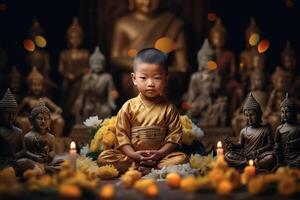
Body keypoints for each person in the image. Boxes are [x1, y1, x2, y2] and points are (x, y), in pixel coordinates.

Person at [98, 48, 189, 175]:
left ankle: (153, 169)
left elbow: (174, 136)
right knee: (104, 157)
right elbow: (122, 136)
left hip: (160, 158)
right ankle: (141, 168)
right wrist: (133, 155)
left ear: (166, 80)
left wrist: (160, 154)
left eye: (157, 78)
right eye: (143, 78)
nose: (150, 83)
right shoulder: (128, 107)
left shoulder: (169, 108)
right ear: (134, 79)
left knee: (182, 159)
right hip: (132, 157)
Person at [111, 0, 189, 101]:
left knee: (159, 87)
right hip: (133, 76)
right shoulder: (123, 23)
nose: (147, 3)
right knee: (140, 86)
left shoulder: (173, 24)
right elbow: (115, 58)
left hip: (162, 76)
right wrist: (143, 67)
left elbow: (182, 67)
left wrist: (159, 72)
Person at [225, 93, 275, 170]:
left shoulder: (265, 129)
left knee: (271, 157)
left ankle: (248, 164)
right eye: (247, 115)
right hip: (245, 156)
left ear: (259, 114)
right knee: (227, 155)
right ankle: (251, 164)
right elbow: (241, 145)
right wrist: (233, 145)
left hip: (259, 156)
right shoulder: (244, 131)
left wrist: (259, 151)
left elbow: (270, 144)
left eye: (252, 115)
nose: (249, 118)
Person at [74, 46, 118, 124]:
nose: (97, 65)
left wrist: (111, 100)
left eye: (99, 63)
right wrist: (80, 103)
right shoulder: (86, 78)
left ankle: (103, 129)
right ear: (90, 64)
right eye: (95, 63)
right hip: (89, 103)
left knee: (106, 110)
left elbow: (111, 91)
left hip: (102, 103)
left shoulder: (107, 77)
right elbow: (82, 93)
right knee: (84, 109)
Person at [17, 67, 64, 137]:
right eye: (34, 85)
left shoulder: (45, 99)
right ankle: (26, 143)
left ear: (42, 86)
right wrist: (24, 114)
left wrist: (52, 114)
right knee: (23, 121)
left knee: (60, 120)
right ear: (29, 86)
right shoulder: (27, 100)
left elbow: (59, 109)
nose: (36, 88)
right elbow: (17, 111)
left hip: (44, 122)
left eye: (39, 85)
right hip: (32, 122)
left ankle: (56, 141)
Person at [24, 101, 63, 173]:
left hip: (48, 162)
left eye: (46, 119)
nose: (43, 121)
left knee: (63, 161)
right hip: (34, 163)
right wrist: (35, 157)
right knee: (25, 162)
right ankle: (46, 170)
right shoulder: (28, 137)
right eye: (39, 118)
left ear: (50, 121)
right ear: (32, 120)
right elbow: (25, 152)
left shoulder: (51, 137)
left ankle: (47, 169)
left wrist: (51, 154)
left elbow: (53, 151)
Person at [274, 94, 300, 168]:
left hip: (296, 155)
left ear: (294, 113)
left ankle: (290, 165)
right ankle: (284, 164)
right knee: (271, 156)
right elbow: (277, 143)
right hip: (283, 156)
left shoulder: (298, 128)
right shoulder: (279, 128)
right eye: (282, 112)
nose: (284, 114)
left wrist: (294, 143)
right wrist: (276, 148)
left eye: (287, 112)